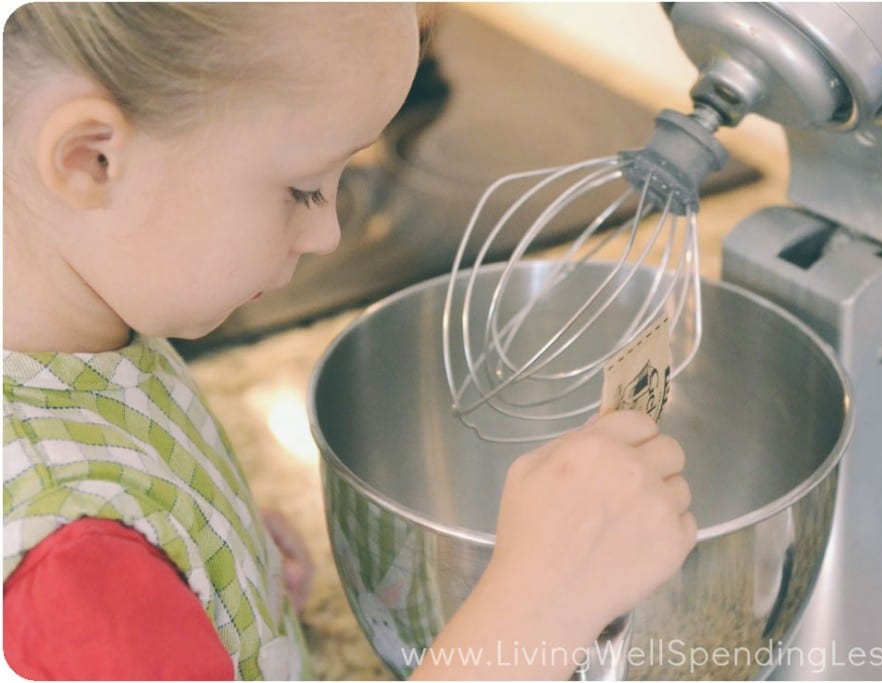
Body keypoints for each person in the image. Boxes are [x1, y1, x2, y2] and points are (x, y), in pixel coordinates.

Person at [2, 3, 698, 680]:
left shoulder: (81, 329)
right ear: (92, 159)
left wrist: (212, 574)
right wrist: (541, 604)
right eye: (304, 188)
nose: (330, 234)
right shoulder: (75, 575)